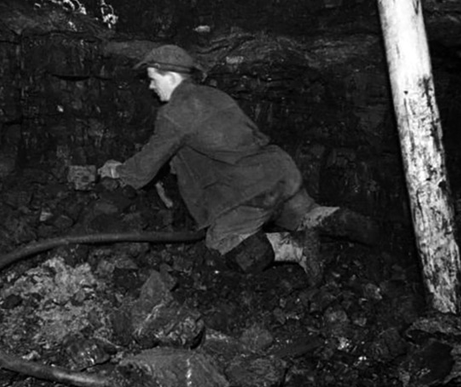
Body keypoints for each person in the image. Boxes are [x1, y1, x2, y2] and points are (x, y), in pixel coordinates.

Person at [99, 44, 379, 283]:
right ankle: (345, 222)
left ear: (170, 77)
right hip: (281, 172)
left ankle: (294, 248)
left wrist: (117, 171)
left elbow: (144, 167)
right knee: (302, 214)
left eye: (153, 79)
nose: (151, 86)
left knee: (221, 244)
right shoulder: (215, 96)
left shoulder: (173, 113)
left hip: (250, 190)